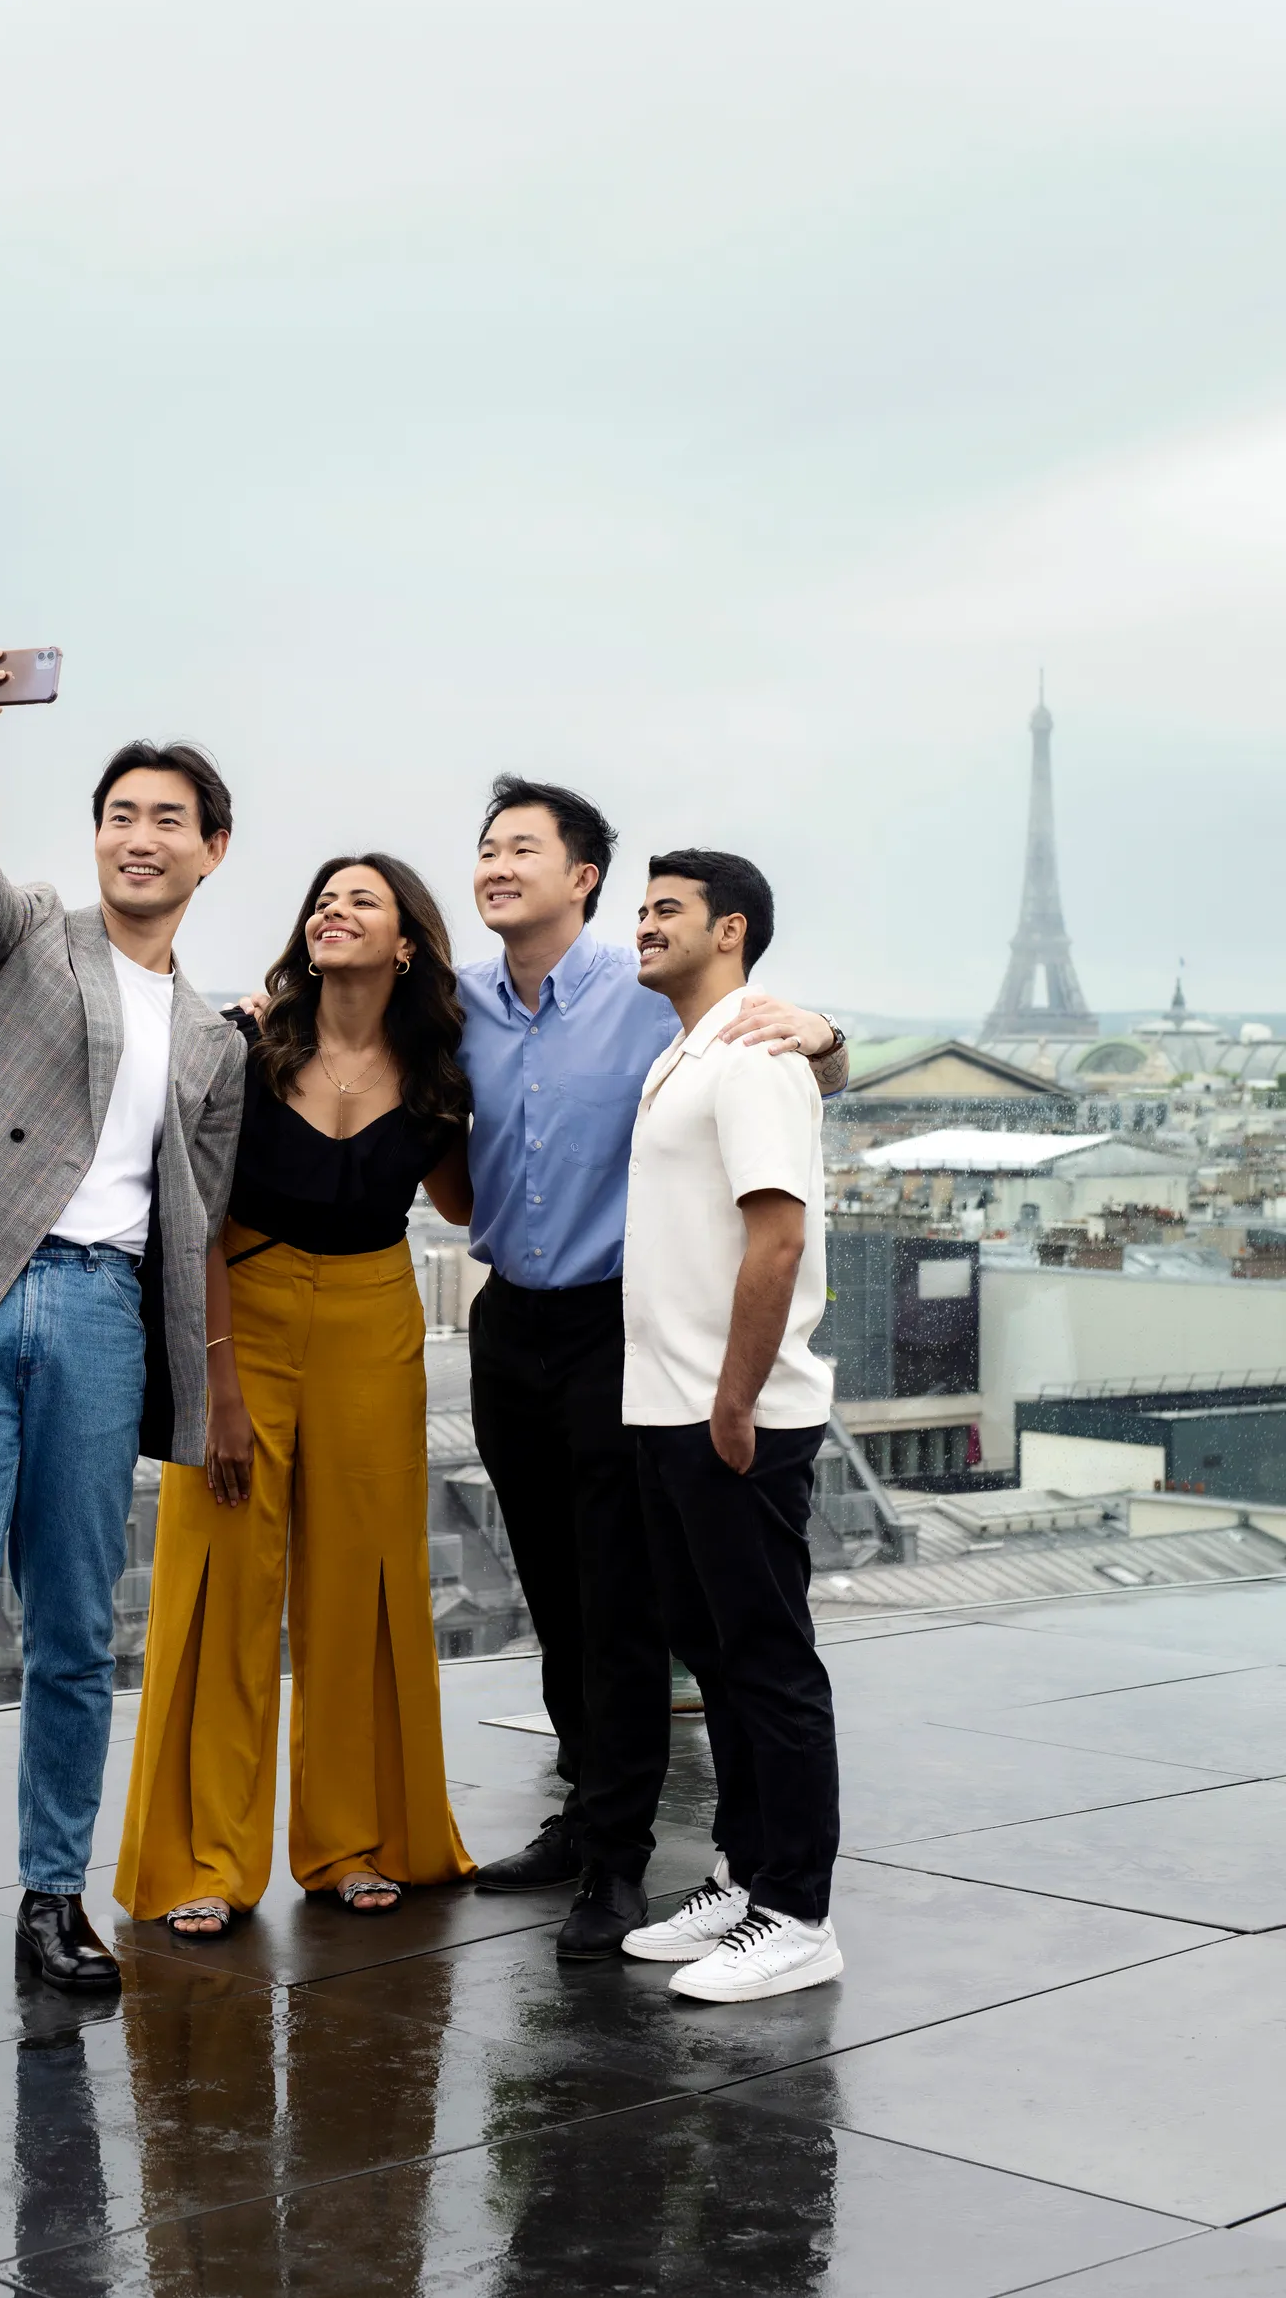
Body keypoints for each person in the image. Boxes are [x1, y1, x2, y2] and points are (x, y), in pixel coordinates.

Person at [0, 642, 246, 2035]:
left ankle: (49, 1898)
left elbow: (202, 1219)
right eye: (118, 813)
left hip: (101, 1312)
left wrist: (207, 1393)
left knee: (79, 1632)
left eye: (166, 818)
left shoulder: (215, 1038)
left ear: (213, 849)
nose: (137, 837)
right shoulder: (31, 930)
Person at [459, 776, 848, 1959]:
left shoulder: (660, 1007)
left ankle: (648, 1863)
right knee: (581, 1594)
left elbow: (786, 1098)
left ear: (581, 875)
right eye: (485, 846)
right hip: (523, 1325)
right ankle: (629, 1830)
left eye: (523, 846)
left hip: (623, 1336)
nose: (495, 863)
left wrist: (825, 1035)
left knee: (646, 1606)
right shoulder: (467, 1000)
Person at [115, 854, 475, 1933]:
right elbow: (200, 1222)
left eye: (363, 899)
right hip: (246, 1311)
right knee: (219, 1582)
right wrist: (216, 1387)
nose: (334, 908)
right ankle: (201, 1863)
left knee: (363, 1582)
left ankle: (354, 1843)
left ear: (405, 944)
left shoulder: (440, 1074)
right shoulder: (241, 1049)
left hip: (376, 1316)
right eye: (325, 896)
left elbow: (463, 1205)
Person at [619, 849, 841, 2002]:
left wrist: (737, 1401)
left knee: (767, 1663)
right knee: (714, 1654)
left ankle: (799, 1911)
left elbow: (779, 1239)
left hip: (731, 1414)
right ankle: (747, 1875)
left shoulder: (755, 1057)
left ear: (733, 930)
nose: (643, 924)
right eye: (642, 908)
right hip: (671, 1407)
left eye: (667, 910)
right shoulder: (688, 1052)